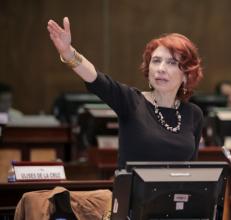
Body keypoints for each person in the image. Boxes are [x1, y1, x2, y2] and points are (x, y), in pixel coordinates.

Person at [47, 17, 204, 169]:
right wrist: (68, 52)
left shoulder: (193, 114)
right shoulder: (131, 102)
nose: (161, 68)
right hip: (133, 195)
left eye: (171, 63)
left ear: (186, 75)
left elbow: (191, 171)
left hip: (175, 195)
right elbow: (96, 79)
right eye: (156, 61)